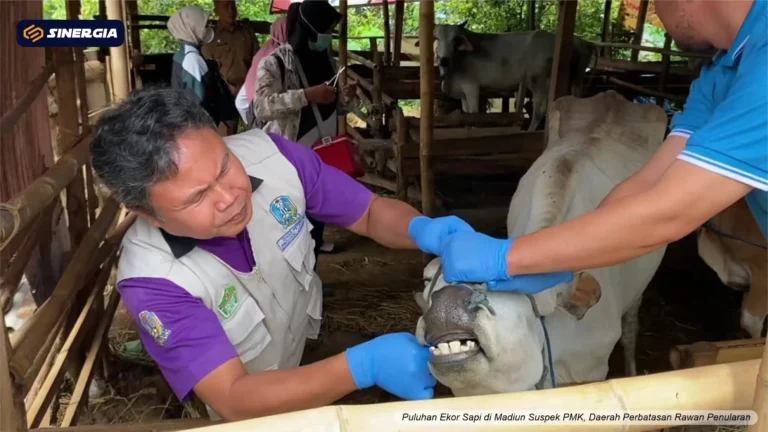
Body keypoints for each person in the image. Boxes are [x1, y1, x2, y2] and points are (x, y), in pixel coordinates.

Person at [90, 87, 465, 420]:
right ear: (146, 213)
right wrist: (362, 367)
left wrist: (427, 232)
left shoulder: (274, 158)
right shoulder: (154, 282)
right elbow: (232, 395)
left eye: (224, 167)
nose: (230, 197)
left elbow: (368, 213)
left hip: (297, 354)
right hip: (248, 410)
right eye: (197, 197)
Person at [407, 0, 767, 294]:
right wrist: (559, 259)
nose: (656, 11)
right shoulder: (723, 72)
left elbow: (669, 212)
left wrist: (506, 257)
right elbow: (650, 183)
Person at [251, 1, 359, 257]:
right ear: (310, 28)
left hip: (323, 155)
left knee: (316, 223)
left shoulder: (325, 61)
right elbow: (262, 107)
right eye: (326, 29)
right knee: (290, 225)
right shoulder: (275, 63)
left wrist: (345, 98)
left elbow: (335, 108)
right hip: (289, 157)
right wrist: (306, 95)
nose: (328, 36)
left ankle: (312, 279)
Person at [167, 6, 236, 128]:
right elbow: (198, 103)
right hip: (197, 126)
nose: (208, 28)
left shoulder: (183, 54)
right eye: (204, 25)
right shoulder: (192, 59)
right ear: (191, 28)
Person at [202, 0, 260, 135]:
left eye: (233, 6)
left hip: (248, 91)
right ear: (216, 11)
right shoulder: (211, 36)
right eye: (226, 7)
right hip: (224, 94)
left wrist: (247, 86)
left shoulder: (246, 33)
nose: (231, 10)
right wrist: (228, 87)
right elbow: (209, 68)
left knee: (255, 133)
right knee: (227, 137)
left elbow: (258, 62)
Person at [234, 17, 288, 128]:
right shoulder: (278, 57)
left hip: (255, 112)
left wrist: (250, 120)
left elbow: (241, 102)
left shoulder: (264, 50)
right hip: (268, 113)